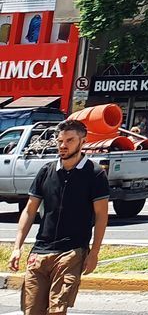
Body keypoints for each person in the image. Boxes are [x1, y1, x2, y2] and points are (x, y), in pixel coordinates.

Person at [8, 119, 109, 315]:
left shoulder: (94, 174)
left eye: (70, 140)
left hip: (72, 251)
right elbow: (29, 210)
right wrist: (17, 248)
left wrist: (94, 252)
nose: (63, 145)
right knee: (31, 310)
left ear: (83, 141)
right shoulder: (46, 171)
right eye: (60, 141)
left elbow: (101, 216)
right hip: (40, 251)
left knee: (57, 309)